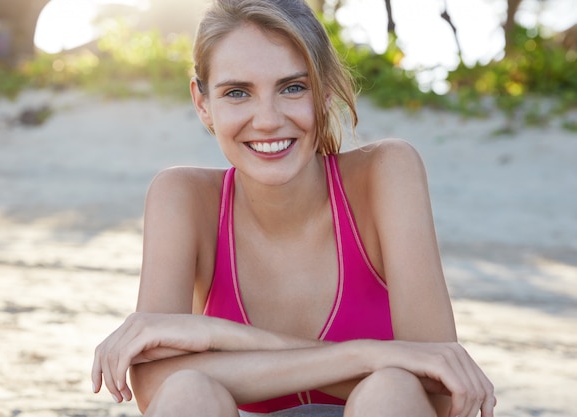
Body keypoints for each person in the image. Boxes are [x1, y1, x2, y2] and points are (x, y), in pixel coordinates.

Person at [91, 0, 495, 416]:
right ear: (203, 102)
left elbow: (440, 388)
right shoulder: (182, 197)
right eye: (237, 92)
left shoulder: (386, 173)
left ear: (325, 93)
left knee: (390, 389)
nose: (266, 120)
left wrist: (213, 334)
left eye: (292, 87)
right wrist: (366, 357)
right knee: (188, 391)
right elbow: (156, 387)